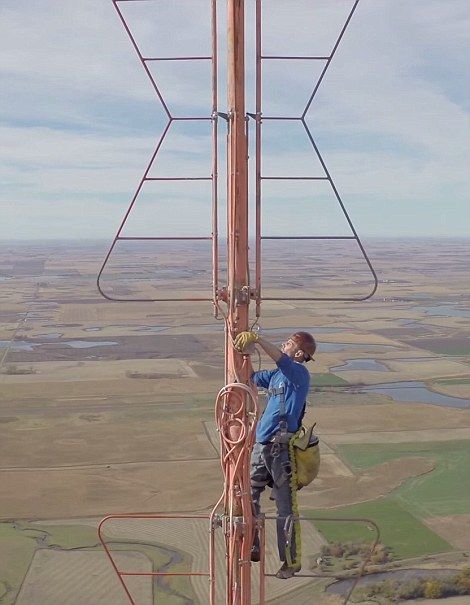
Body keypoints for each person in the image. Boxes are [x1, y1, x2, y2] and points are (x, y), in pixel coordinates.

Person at [233, 330, 316, 579]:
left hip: (281, 450)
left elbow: (280, 358)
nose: (284, 345)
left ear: (299, 354)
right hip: (262, 445)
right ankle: (253, 544)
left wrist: (257, 339)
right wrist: (244, 354)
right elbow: (251, 377)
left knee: (285, 507)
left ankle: (290, 562)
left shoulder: (298, 373)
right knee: (248, 494)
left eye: (289, 343)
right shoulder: (278, 376)